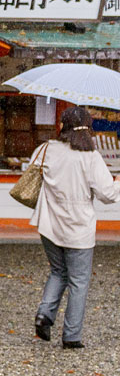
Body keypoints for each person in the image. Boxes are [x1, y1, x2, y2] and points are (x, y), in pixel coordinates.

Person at [32, 103, 119, 349]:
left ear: (62, 126)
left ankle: (44, 314)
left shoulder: (46, 149)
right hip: (79, 228)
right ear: (88, 129)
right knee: (79, 281)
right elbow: (107, 195)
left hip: (49, 223)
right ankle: (71, 336)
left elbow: (33, 171)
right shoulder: (91, 157)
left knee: (58, 272)